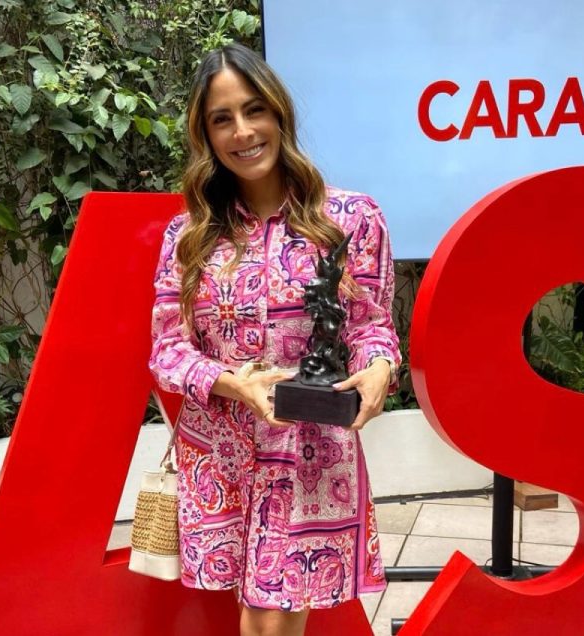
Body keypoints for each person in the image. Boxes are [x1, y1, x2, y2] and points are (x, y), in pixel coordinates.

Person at [148, 43, 401, 636]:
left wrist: (379, 369)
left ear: (279, 112)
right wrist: (233, 384)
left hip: (310, 453)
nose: (242, 131)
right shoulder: (188, 237)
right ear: (206, 135)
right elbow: (166, 351)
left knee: (269, 617)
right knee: (257, 617)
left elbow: (371, 326)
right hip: (221, 454)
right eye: (222, 119)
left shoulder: (350, 218)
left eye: (254, 110)